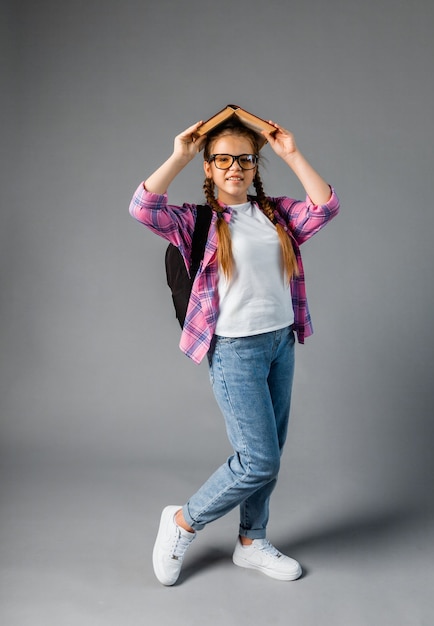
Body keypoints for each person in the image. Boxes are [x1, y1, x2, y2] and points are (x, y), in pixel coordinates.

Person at [129, 111, 340, 585]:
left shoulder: (276, 214)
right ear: (209, 167)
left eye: (244, 159)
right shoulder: (195, 222)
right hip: (235, 351)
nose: (234, 168)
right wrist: (180, 154)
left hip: (280, 342)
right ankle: (184, 521)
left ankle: (252, 540)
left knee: (271, 454)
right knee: (258, 459)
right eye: (221, 159)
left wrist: (291, 152)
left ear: (255, 165)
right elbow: (143, 208)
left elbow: (324, 207)